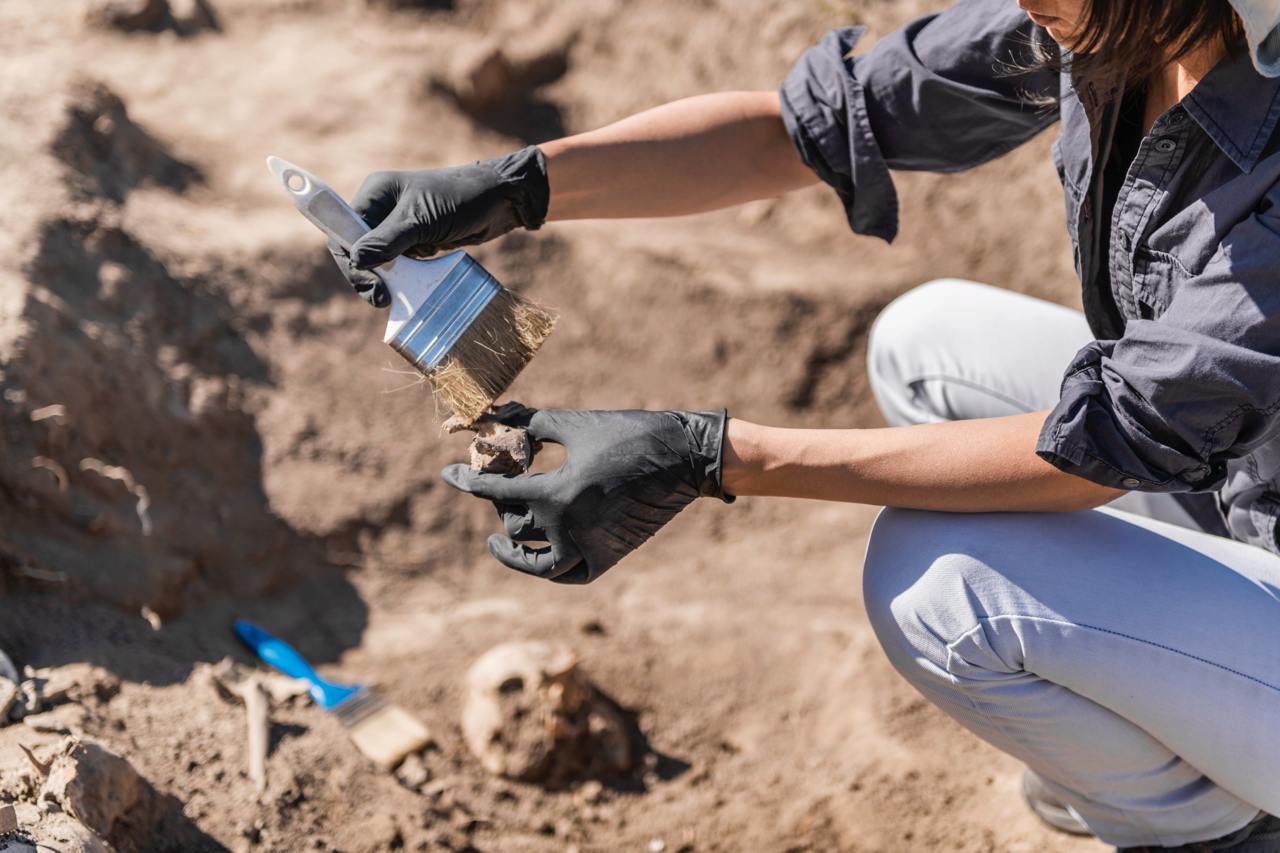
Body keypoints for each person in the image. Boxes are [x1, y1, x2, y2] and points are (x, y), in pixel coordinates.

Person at [329, 1, 1280, 849]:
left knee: (941, 587)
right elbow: (800, 128)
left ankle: (1219, 827)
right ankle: (1184, 728)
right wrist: (523, 184)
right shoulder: (1108, 22)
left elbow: (1107, 443)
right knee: (929, 345)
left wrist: (707, 456)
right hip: (1247, 488)